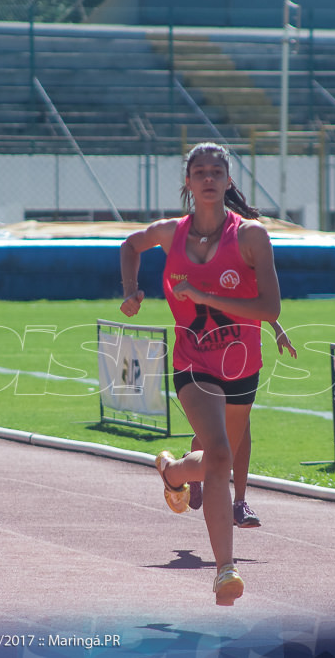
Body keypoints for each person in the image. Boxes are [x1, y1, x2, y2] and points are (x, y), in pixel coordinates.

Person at [119, 142, 282, 606]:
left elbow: (269, 306)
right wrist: (132, 292)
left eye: (217, 171)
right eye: (200, 172)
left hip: (242, 364)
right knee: (220, 453)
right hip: (193, 363)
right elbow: (130, 246)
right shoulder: (171, 235)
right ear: (187, 183)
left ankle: (172, 471)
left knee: (215, 461)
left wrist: (207, 299)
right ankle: (224, 571)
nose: (208, 178)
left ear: (228, 181)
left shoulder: (251, 237)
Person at [186, 322, 296, 527]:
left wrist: (277, 328)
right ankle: (192, 460)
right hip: (209, 354)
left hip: (244, 353)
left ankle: (239, 503)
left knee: (242, 424)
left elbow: (260, 297)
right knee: (218, 427)